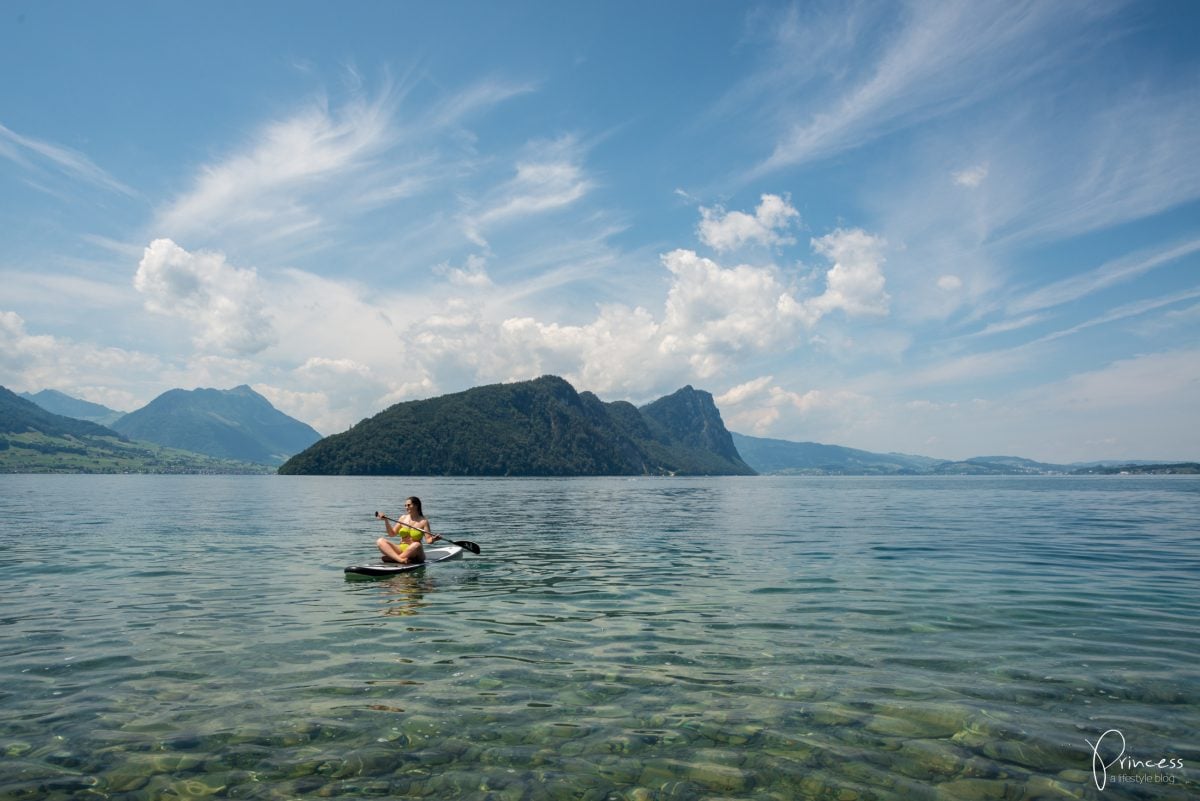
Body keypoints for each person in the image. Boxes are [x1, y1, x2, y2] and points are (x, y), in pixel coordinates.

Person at [376, 497, 441, 564]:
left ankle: (394, 558)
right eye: (405, 505)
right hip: (402, 549)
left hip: (416, 554)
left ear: (416, 505)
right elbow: (392, 534)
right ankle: (400, 560)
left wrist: (434, 539)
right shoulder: (402, 518)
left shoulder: (424, 521)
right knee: (380, 541)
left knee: (417, 544)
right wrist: (386, 521)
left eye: (409, 505)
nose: (406, 507)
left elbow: (428, 540)